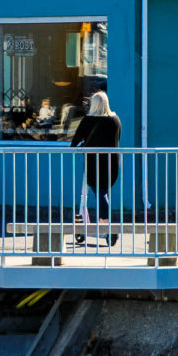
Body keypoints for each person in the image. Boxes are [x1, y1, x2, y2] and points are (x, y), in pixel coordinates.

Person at [70, 89, 122, 243]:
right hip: (112, 162)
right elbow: (117, 137)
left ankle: (105, 224)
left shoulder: (87, 120)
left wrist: (81, 145)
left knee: (100, 193)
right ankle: (104, 223)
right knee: (103, 190)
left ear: (93, 104)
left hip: (93, 162)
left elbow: (74, 142)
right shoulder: (115, 120)